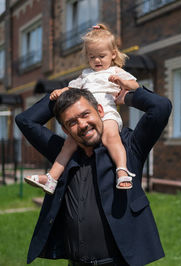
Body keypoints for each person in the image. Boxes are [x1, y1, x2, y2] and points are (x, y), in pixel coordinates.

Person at [15, 83, 171, 265]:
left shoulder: (128, 147)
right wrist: (63, 94)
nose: (82, 125)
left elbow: (160, 107)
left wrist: (128, 97)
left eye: (85, 114)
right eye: (72, 122)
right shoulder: (62, 155)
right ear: (65, 130)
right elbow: (25, 121)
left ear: (100, 111)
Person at [24, 24, 138, 194]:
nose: (97, 60)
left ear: (113, 54)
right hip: (84, 116)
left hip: (107, 113)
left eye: (102, 56)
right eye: (92, 57)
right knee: (68, 144)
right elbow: (72, 89)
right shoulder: (86, 75)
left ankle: (122, 170)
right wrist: (61, 91)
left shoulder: (116, 71)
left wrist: (123, 83)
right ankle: (52, 178)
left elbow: (135, 85)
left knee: (112, 138)